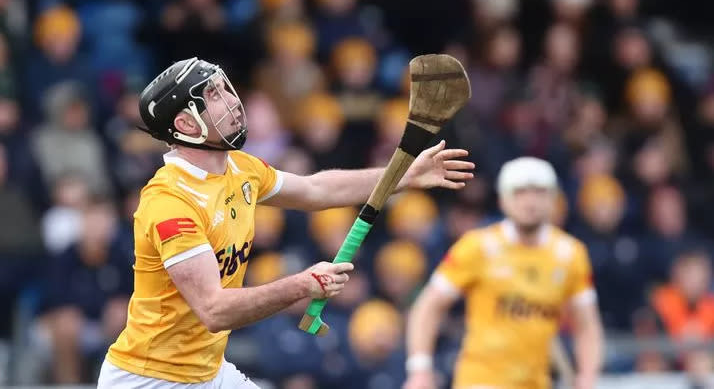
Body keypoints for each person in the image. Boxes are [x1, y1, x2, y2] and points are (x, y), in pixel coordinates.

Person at [98, 57, 474, 388]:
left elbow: (316, 190)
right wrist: (300, 285)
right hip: (150, 379)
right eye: (213, 97)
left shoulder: (239, 167)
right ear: (186, 124)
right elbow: (214, 310)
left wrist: (402, 175)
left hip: (207, 372)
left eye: (224, 89)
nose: (231, 101)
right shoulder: (170, 204)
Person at [403, 156, 604, 389]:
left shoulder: (571, 254)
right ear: (503, 200)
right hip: (481, 380)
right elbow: (429, 305)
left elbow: (587, 325)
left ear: (553, 199)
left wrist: (588, 376)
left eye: (539, 192)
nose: (530, 201)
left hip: (537, 382)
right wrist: (420, 368)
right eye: (519, 192)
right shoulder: (477, 246)